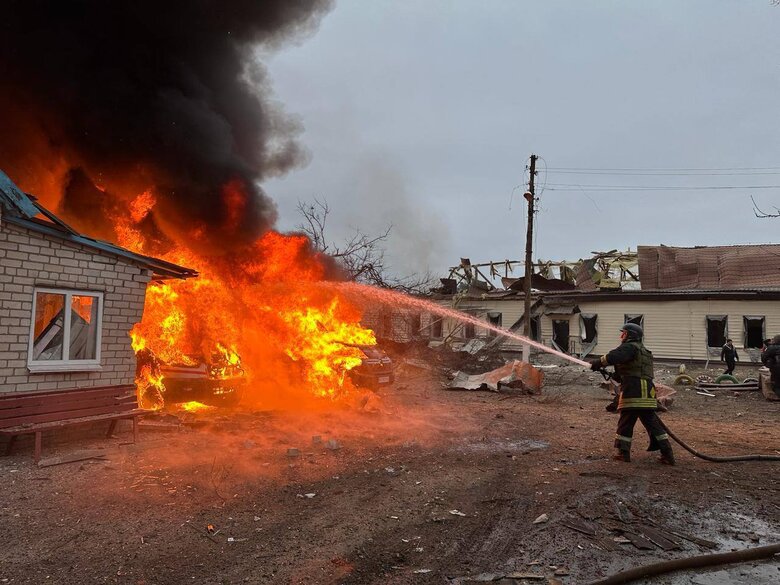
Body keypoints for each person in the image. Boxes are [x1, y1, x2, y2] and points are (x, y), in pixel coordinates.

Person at [588, 323, 675, 465]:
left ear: (630, 335)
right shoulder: (642, 351)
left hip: (634, 390)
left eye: (624, 333)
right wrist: (608, 372)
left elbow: (613, 356)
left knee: (626, 421)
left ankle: (623, 453)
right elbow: (627, 372)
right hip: (647, 391)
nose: (621, 336)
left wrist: (598, 362)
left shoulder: (629, 347)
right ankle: (667, 453)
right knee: (652, 423)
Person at [760, 335, 780, 399]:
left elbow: (764, 358)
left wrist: (768, 364)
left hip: (777, 369)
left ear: (775, 341)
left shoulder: (772, 348)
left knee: (777, 385)